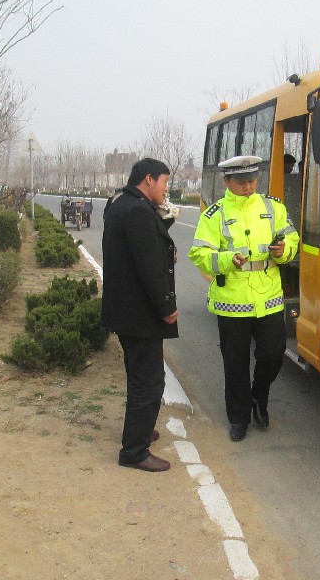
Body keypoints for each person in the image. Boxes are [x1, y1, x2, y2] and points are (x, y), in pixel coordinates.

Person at [188, 155, 300, 442]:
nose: (249, 187)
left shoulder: (272, 207)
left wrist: (283, 251)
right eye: (242, 183)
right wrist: (227, 259)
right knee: (235, 363)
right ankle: (238, 417)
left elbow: (292, 239)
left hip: (269, 297)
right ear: (227, 182)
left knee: (273, 355)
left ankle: (258, 397)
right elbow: (199, 254)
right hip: (232, 301)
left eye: (252, 181)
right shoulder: (214, 214)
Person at [101, 158, 179, 472]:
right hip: (140, 313)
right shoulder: (137, 212)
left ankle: (141, 430)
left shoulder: (120, 203)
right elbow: (149, 269)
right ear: (148, 180)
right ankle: (134, 451)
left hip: (125, 310)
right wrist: (167, 308)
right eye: (164, 183)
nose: (166, 189)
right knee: (150, 382)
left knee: (140, 377)